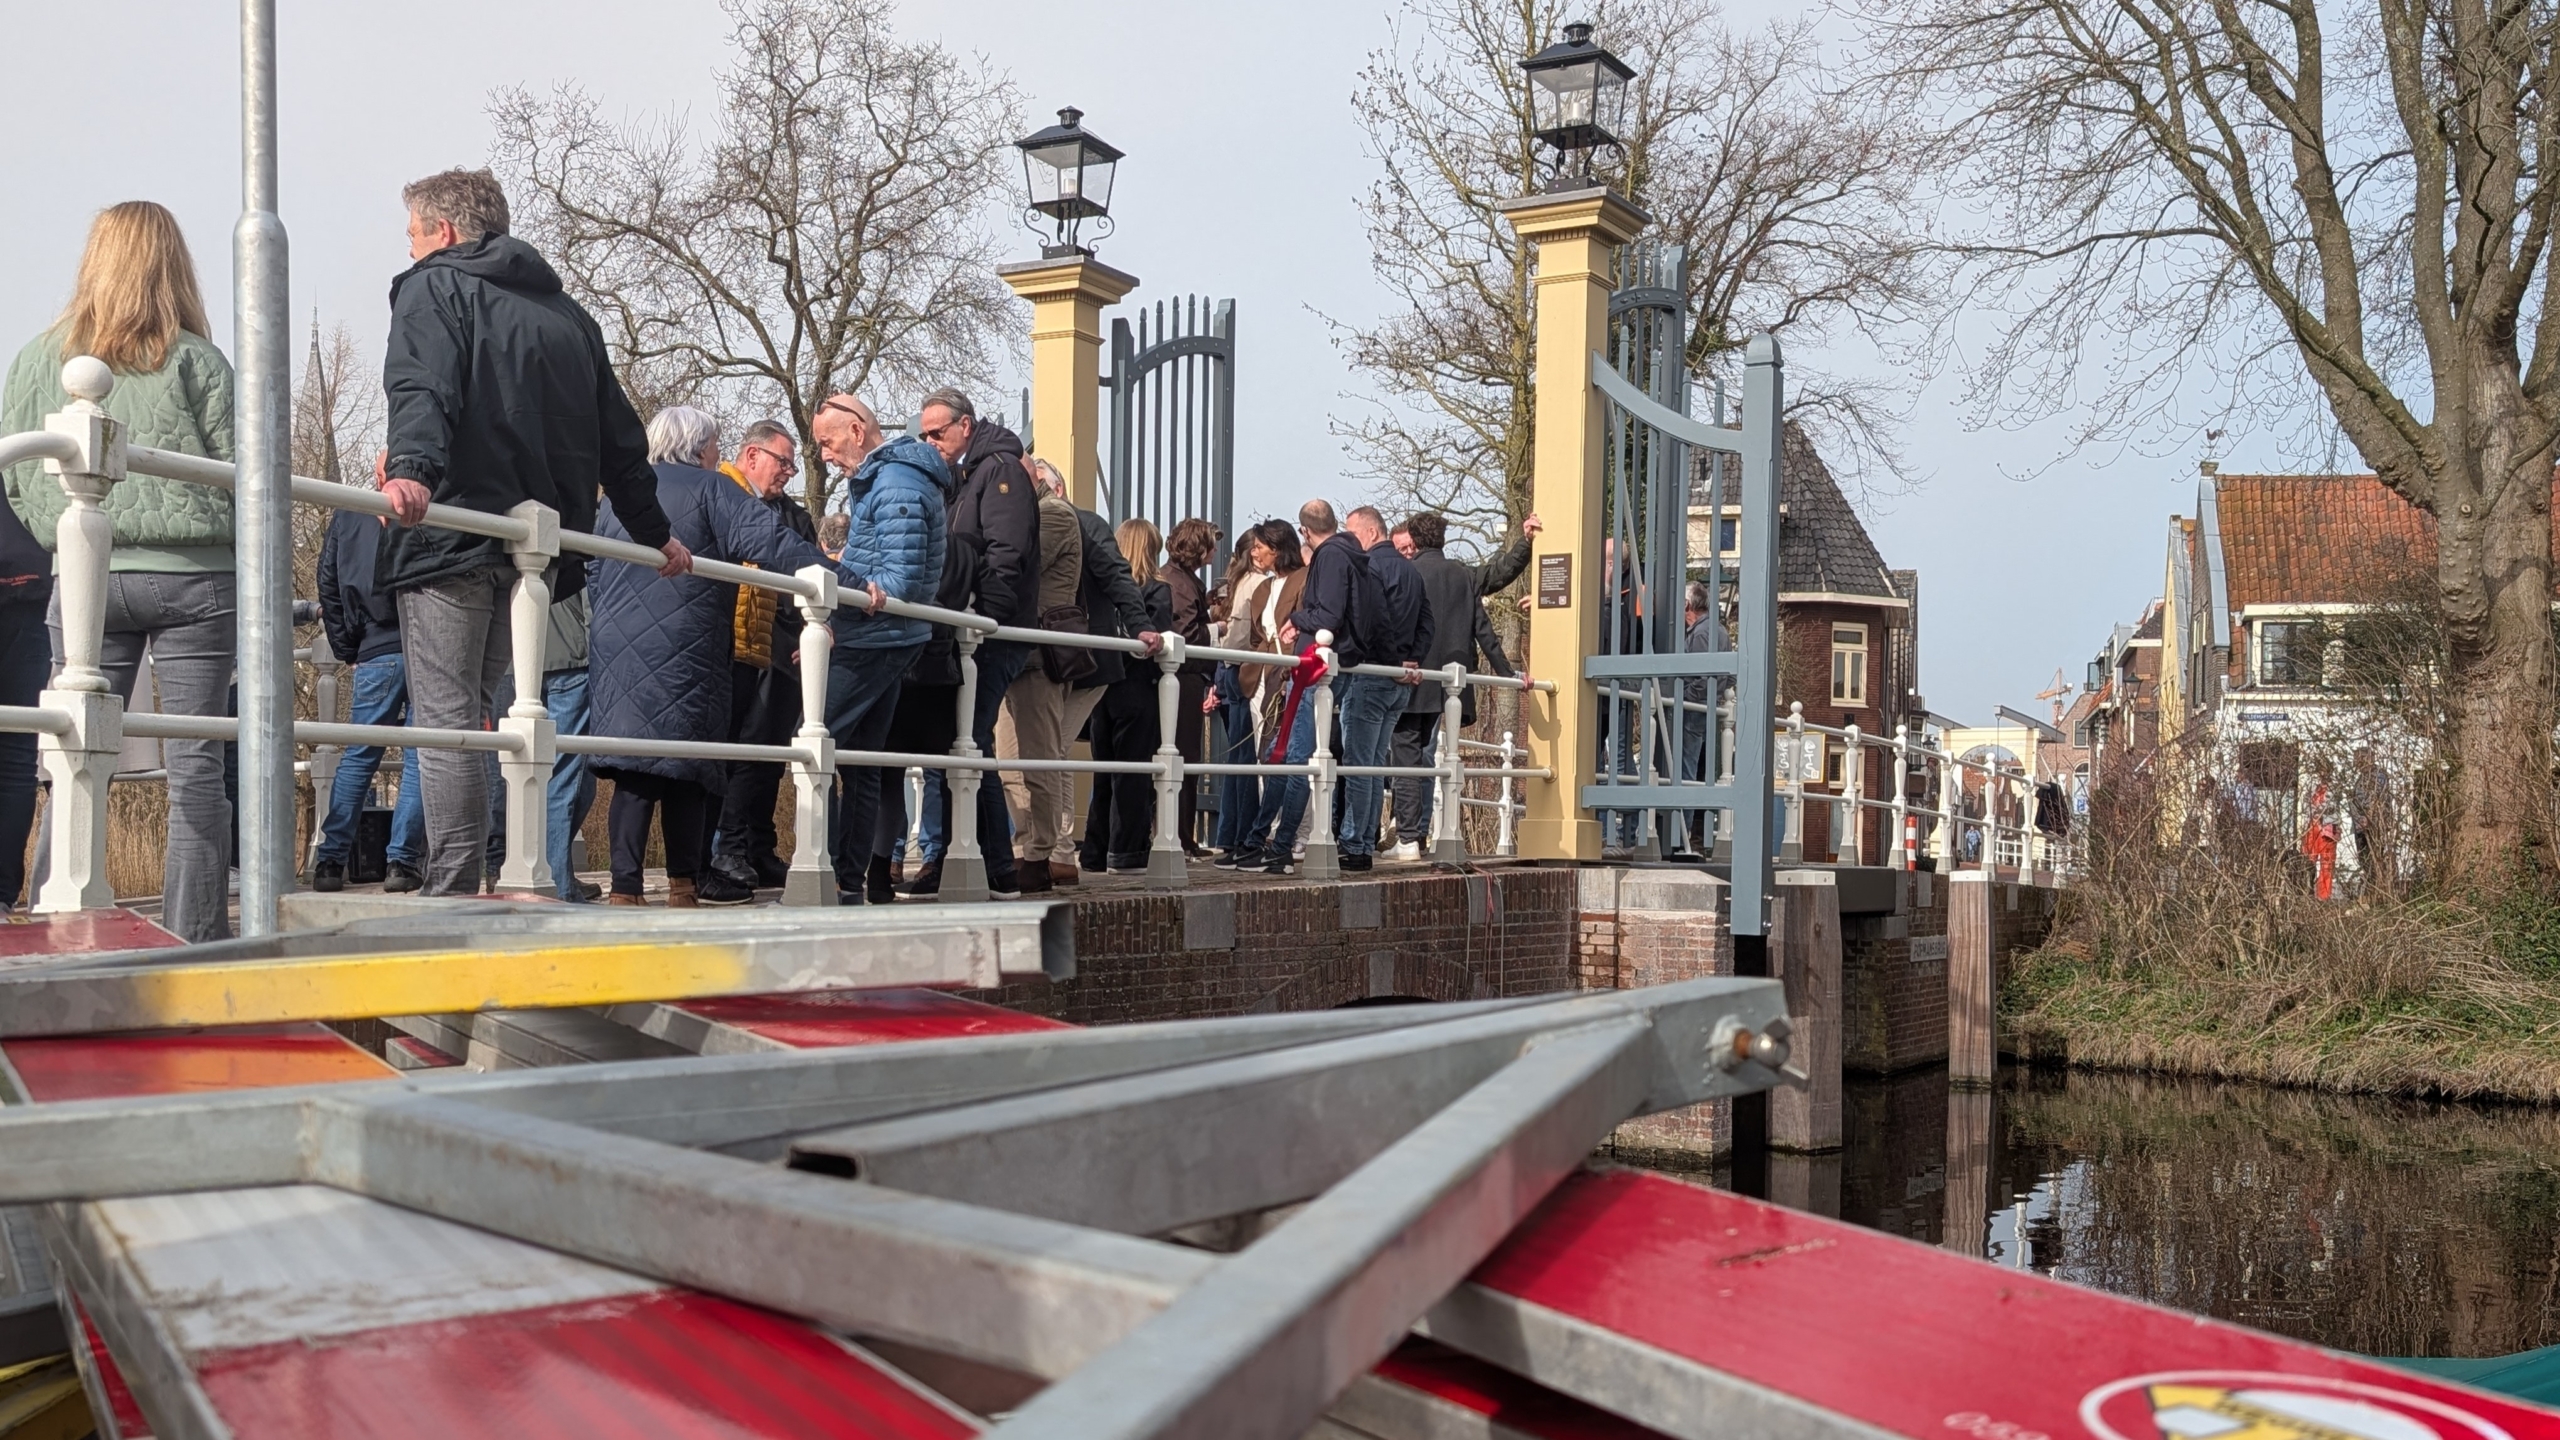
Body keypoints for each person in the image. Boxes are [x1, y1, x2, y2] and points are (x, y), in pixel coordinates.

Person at [376, 168, 689, 898]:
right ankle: (487, 876)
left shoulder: (433, 287)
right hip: (533, 553)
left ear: (443, 231)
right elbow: (620, 439)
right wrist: (655, 533)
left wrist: (412, 469)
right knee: (487, 711)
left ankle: (453, 890)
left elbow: (422, 385)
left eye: (413, 233)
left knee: (447, 718)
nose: (410, 247)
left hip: (452, 532)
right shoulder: (570, 317)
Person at [2, 202, 236, 939]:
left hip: (85, 574)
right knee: (196, 769)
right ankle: (194, 938)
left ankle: (57, 922)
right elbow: (243, 473)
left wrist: (58, 531)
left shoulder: (39, 358)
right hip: (196, 577)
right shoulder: (197, 360)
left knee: (74, 759)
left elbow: (18, 473)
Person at [586, 407, 822, 906]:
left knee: (633, 769)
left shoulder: (617, 497)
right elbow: (771, 542)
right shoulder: (712, 489)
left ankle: (624, 890)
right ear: (698, 448)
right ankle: (683, 888)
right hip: (689, 645)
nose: (718, 453)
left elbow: (593, 570)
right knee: (688, 770)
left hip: (618, 647)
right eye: (714, 444)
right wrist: (839, 579)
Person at [901, 388, 1037, 898]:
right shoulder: (966, 475)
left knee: (969, 742)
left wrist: (983, 617)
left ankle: (993, 866)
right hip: (966, 632)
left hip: (986, 636)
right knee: (959, 741)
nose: (930, 442)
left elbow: (1005, 554)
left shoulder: (999, 472)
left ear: (965, 425)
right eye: (924, 435)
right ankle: (971, 860)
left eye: (937, 432)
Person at [809, 393, 944, 906]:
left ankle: (818, 874)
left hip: (875, 639)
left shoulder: (894, 483)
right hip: (891, 638)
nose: (825, 455)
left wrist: (836, 611)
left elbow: (899, 580)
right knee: (863, 762)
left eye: (828, 442)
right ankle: (847, 882)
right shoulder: (894, 479)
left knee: (811, 743)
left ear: (857, 431)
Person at [702, 420, 819, 903]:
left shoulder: (793, 516)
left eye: (793, 465)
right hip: (734, 646)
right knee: (739, 752)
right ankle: (727, 848)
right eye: (783, 462)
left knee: (769, 756)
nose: (789, 473)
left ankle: (758, 845)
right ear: (752, 456)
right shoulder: (720, 497)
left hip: (784, 648)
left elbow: (811, 569)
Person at [1034, 491, 1159, 884]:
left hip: (1081, 659)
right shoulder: (1031, 521)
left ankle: (1059, 851)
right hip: (1053, 656)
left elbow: (1117, 577)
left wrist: (1140, 625)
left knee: (1054, 748)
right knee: (1055, 751)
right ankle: (1059, 851)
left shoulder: (1086, 524)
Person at [1388, 512, 1518, 860]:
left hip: (1412, 674)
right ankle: (1425, 834)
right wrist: (1507, 673)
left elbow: (1396, 623)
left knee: (1405, 754)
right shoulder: (1462, 574)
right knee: (1428, 755)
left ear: (1414, 541)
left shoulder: (1408, 572)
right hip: (1449, 683)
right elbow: (1483, 629)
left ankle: (1408, 838)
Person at [310, 506, 425, 894]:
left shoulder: (348, 514)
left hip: (374, 649)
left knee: (359, 755)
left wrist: (348, 648)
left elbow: (328, 583)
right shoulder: (424, 503)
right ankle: (401, 862)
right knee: (420, 755)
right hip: (425, 644)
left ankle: (330, 861)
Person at [994, 456, 1085, 893]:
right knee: (1009, 760)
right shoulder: (1030, 514)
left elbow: (1020, 565)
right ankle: (1023, 847)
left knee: (1039, 756)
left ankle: (1041, 853)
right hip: (1013, 651)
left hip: (1039, 654)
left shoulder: (1054, 514)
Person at [1336, 505, 1432, 871]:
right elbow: (1427, 622)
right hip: (1399, 683)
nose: (1350, 541)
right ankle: (1363, 841)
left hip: (1373, 675)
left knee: (1359, 765)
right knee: (1375, 765)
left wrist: (1392, 665)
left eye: (1353, 533)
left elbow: (1375, 622)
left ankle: (1354, 844)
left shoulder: (1369, 568)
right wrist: (1412, 660)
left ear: (1372, 532)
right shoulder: (1412, 571)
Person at [1080, 519, 1176, 873]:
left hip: (1104, 686)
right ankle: (1127, 852)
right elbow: (1160, 640)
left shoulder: (1102, 589)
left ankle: (1094, 852)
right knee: (1134, 772)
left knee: (1103, 770)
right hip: (1138, 687)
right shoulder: (1157, 591)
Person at [1210, 521, 1305, 868]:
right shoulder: (1263, 587)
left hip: (1289, 676)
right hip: (1259, 678)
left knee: (1286, 758)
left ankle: (1282, 836)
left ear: (1277, 549)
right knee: (1261, 758)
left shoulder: (1303, 579)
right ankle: (1254, 837)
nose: (1254, 552)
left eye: (1260, 546)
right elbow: (1255, 635)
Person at [1163, 517, 1220, 854]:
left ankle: (1180, 835)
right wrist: (1218, 629)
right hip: (1183, 678)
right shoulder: (1181, 584)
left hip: (1183, 678)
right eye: (1211, 544)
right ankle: (1182, 837)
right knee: (1184, 757)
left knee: (1181, 758)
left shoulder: (1179, 579)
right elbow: (1185, 635)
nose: (1215, 550)